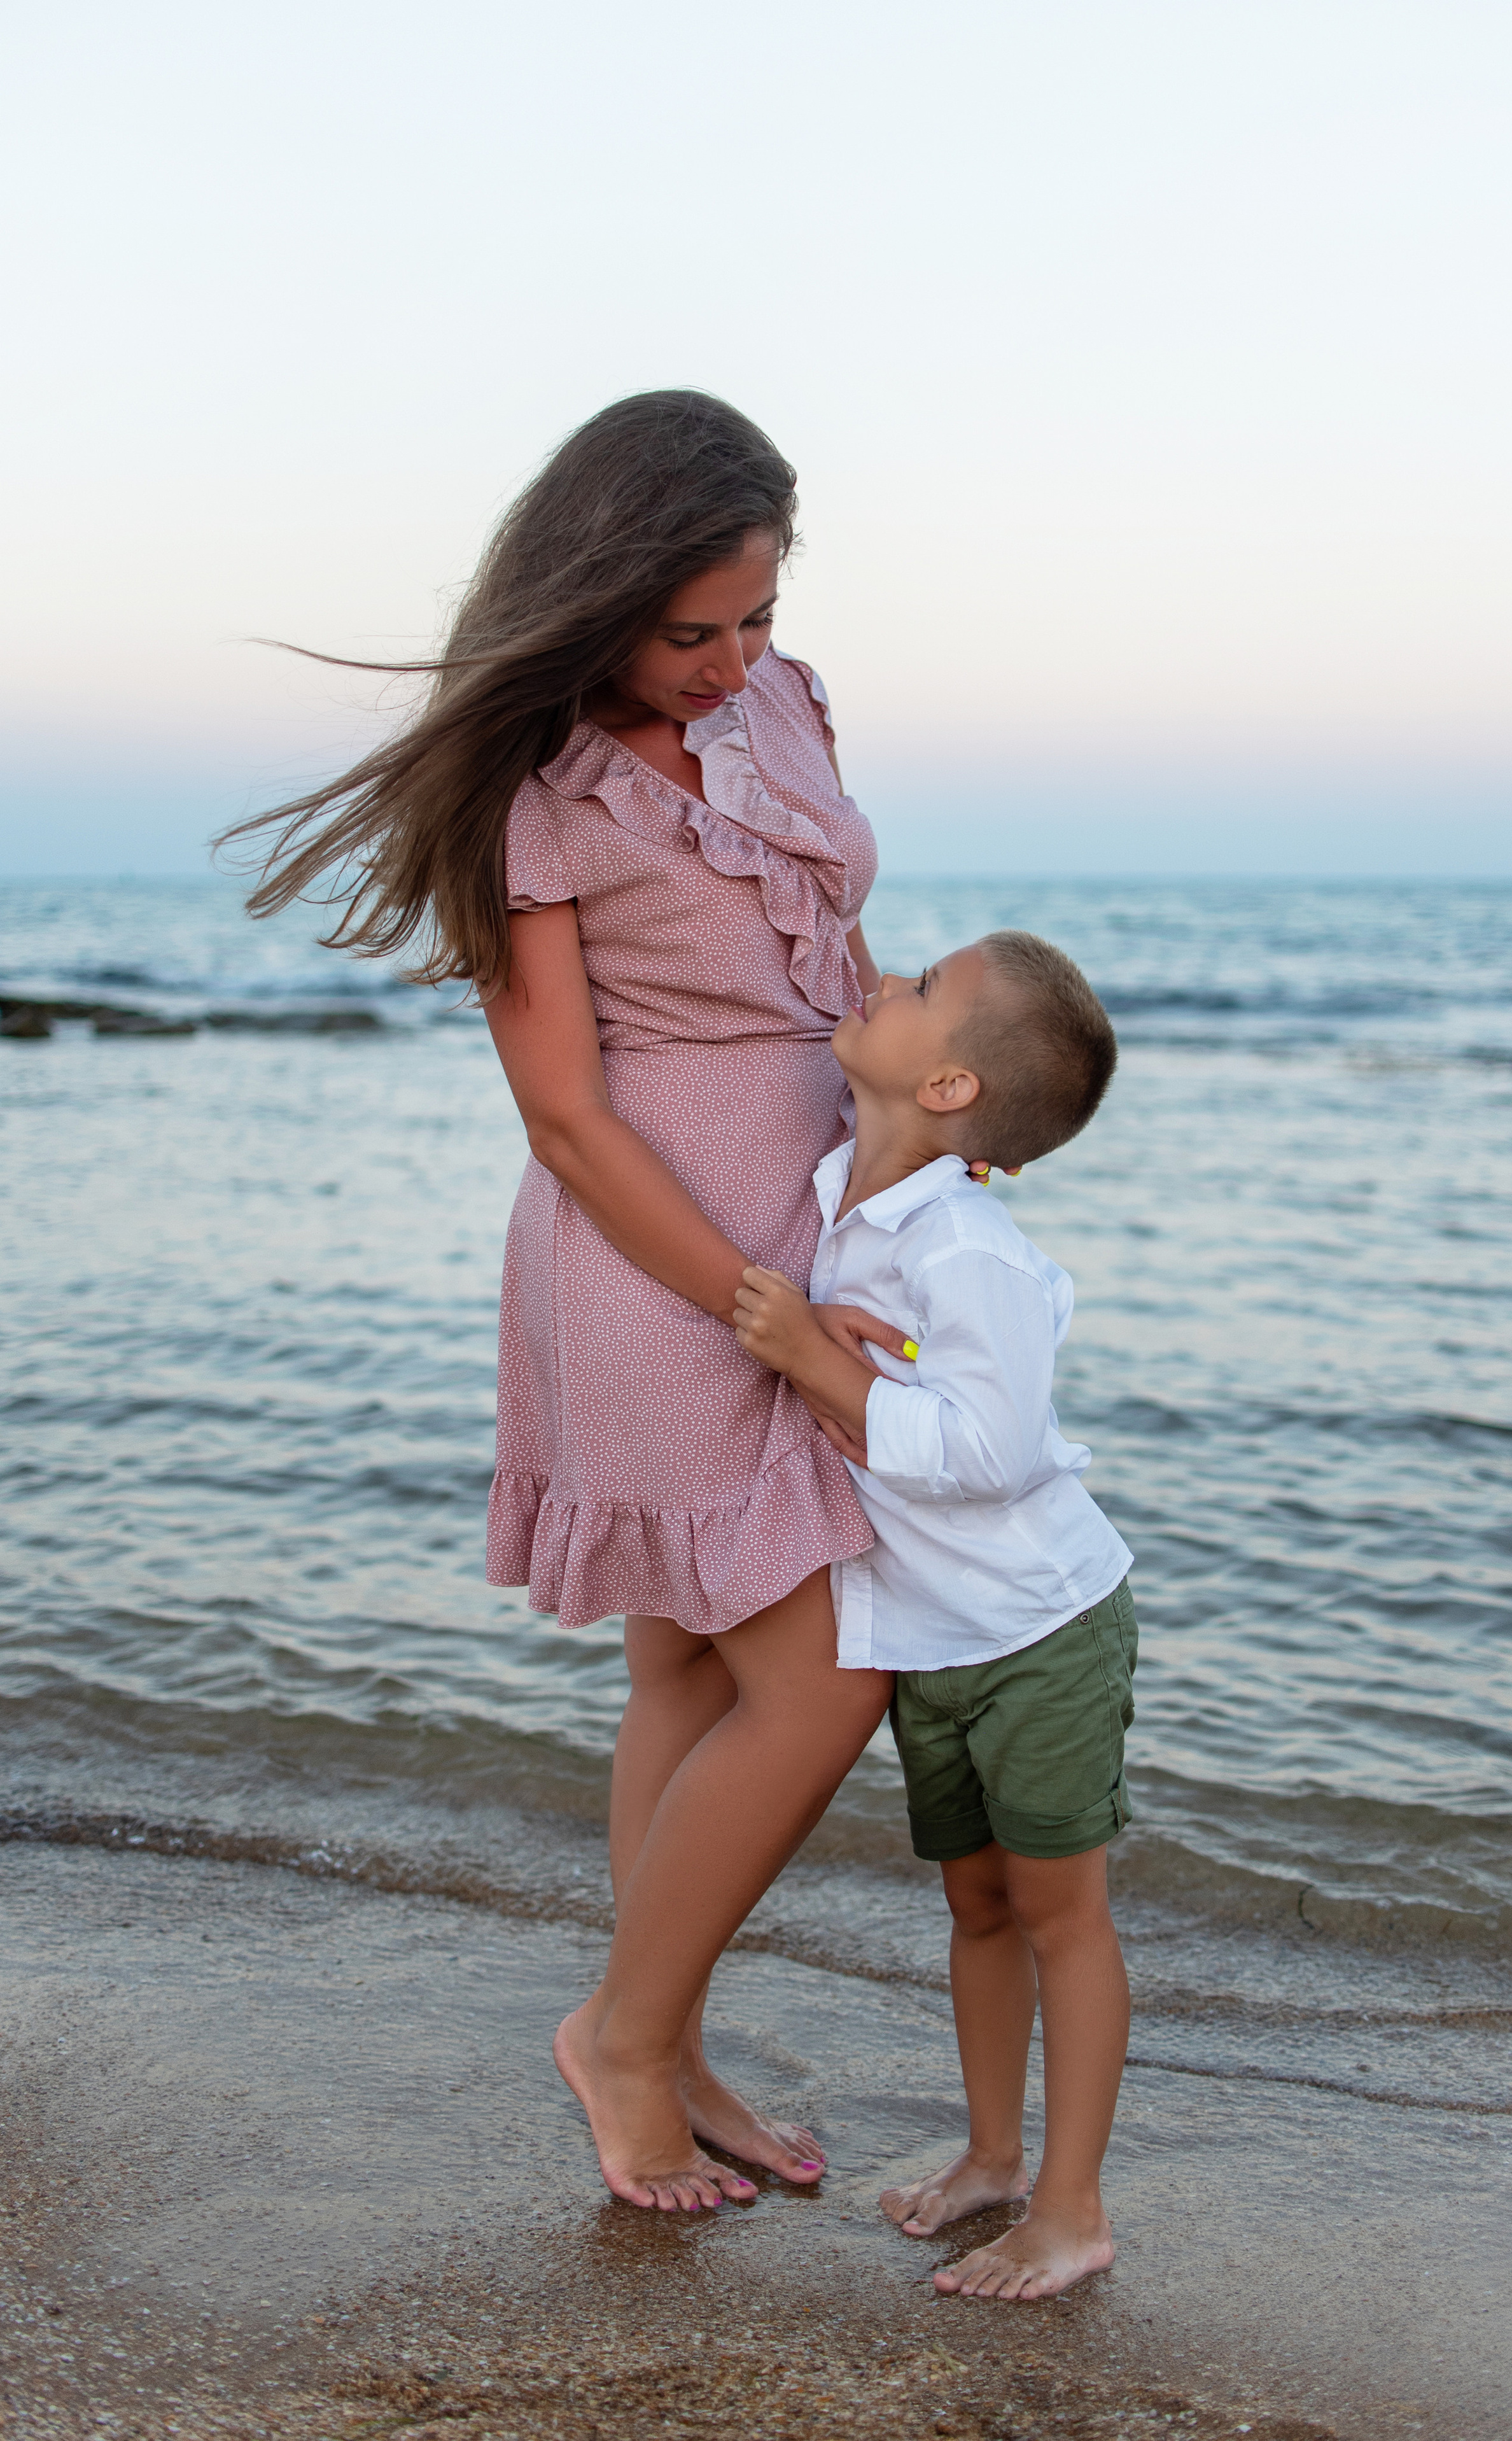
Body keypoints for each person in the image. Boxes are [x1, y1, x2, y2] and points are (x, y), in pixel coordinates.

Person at [223, 390, 907, 2214]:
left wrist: (931, 1128)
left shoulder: (785, 702)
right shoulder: (537, 795)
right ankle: (620, 2028)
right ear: (595, 592)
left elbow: (827, 961)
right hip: (651, 1263)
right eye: (693, 630)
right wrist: (768, 1305)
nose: (733, 659)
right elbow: (568, 1116)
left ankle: (668, 2045)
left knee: (686, 1666)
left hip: (817, 1224)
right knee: (832, 1667)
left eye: (756, 616)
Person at [732, 930, 1137, 2301]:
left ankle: (1071, 2208)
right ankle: (991, 2157)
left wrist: (806, 1358)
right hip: (934, 1634)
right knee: (974, 1904)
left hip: (1037, 1624)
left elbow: (990, 1455)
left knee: (1057, 1910)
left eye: (917, 990)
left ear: (952, 1084)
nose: (884, 975)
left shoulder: (966, 1244)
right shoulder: (847, 1189)